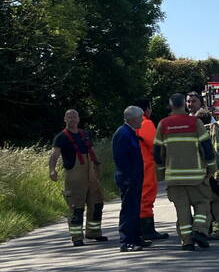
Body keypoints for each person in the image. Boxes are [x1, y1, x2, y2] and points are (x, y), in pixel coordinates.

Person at [153, 93, 217, 251]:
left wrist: (161, 172)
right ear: (184, 105)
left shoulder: (163, 124)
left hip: (174, 178)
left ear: (170, 106)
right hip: (196, 177)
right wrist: (211, 168)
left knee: (182, 210)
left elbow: (157, 152)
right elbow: (207, 148)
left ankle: (187, 242)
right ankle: (199, 230)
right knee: (203, 204)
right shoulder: (195, 123)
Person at [48, 109, 107, 246]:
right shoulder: (61, 137)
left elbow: (91, 151)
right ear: (65, 119)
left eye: (74, 117)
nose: (72, 119)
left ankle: (93, 233)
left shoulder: (84, 134)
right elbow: (54, 155)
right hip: (74, 177)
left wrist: (98, 165)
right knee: (76, 208)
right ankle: (76, 237)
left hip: (91, 176)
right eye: (69, 117)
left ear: (79, 119)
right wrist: (52, 170)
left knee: (97, 205)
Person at [133, 97, 169, 241]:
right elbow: (155, 146)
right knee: (146, 197)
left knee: (140, 197)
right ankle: (148, 230)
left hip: (136, 165)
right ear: (147, 109)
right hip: (146, 165)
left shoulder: (131, 123)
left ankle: (142, 229)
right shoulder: (146, 123)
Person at [112, 106, 147, 252]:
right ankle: (126, 240)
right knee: (128, 209)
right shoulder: (123, 134)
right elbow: (121, 159)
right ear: (132, 118)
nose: (142, 120)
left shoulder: (130, 133)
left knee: (135, 208)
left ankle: (136, 237)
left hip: (134, 178)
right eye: (140, 117)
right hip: (128, 179)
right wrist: (130, 178)